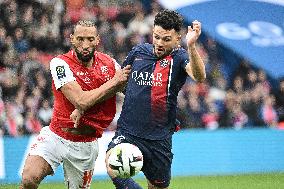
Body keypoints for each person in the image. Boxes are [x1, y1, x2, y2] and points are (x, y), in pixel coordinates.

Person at [72, 9, 206, 189]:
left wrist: (191, 46)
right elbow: (117, 83)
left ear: (177, 39)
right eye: (156, 36)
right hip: (129, 132)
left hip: (159, 139)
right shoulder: (138, 52)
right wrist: (84, 106)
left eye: (166, 39)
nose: (159, 43)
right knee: (112, 164)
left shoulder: (179, 57)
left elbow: (199, 76)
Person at [20, 20, 131, 189]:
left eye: (89, 39)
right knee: (29, 178)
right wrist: (114, 83)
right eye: (80, 39)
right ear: (71, 39)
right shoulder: (60, 64)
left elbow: (130, 92)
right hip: (56, 136)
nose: (85, 45)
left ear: (97, 40)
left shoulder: (109, 64)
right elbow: (80, 100)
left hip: (85, 145)